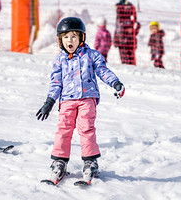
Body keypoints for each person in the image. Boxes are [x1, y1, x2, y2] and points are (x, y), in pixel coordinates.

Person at [35, 17, 125, 185]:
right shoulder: (59, 60)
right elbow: (56, 83)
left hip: (87, 99)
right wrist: (49, 101)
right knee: (63, 129)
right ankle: (59, 161)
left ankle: (90, 162)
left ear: (81, 38)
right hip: (67, 100)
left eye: (74, 36)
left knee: (86, 129)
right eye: (66, 37)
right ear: (60, 40)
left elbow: (103, 71)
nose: (70, 40)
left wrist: (115, 82)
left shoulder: (91, 56)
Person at [114, 0, 139, 65]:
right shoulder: (130, 6)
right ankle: (130, 64)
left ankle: (127, 64)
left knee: (124, 54)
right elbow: (135, 19)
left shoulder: (120, 7)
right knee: (129, 54)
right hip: (128, 35)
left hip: (122, 35)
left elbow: (119, 21)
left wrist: (116, 39)